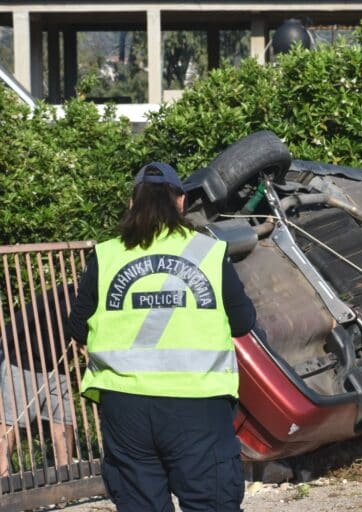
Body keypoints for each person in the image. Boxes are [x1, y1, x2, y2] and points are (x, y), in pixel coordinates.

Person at [67, 162, 256, 512]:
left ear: (131, 202)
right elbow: (243, 321)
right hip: (197, 402)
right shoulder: (209, 253)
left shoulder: (106, 255)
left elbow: (77, 327)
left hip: (125, 407)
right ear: (180, 202)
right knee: (209, 502)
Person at [0, 285, 75, 476]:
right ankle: (2, 478)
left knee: (63, 417)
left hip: (55, 361)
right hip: (21, 355)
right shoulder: (80, 294)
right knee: (11, 422)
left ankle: (66, 477)